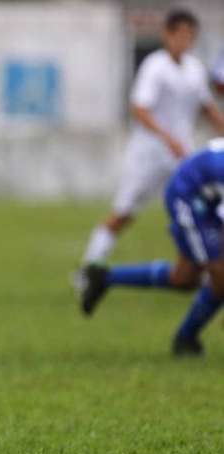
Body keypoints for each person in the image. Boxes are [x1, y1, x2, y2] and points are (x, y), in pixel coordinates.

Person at [79, 9, 224, 270]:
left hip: (182, 153)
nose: (184, 41)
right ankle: (89, 268)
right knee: (124, 213)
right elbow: (140, 109)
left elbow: (206, 107)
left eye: (190, 35)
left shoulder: (194, 69)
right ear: (166, 35)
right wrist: (167, 138)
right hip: (148, 153)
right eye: (179, 34)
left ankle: (200, 269)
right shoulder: (155, 66)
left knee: (200, 208)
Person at [80, 139, 224, 357]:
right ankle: (185, 340)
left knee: (184, 278)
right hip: (188, 197)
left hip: (208, 195)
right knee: (220, 274)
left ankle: (105, 277)